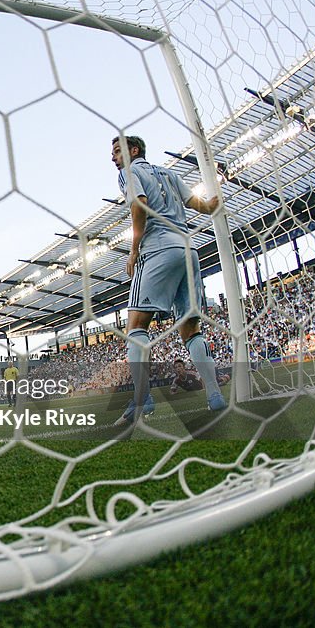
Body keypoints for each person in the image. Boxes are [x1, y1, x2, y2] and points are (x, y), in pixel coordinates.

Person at [111, 135, 225, 426]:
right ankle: (214, 395)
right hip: (189, 250)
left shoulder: (129, 173)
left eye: (117, 152)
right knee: (190, 329)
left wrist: (134, 250)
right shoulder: (169, 173)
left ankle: (142, 398)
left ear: (133, 150)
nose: (114, 158)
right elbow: (201, 206)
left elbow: (140, 205)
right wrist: (215, 198)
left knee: (136, 326)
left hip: (159, 248)